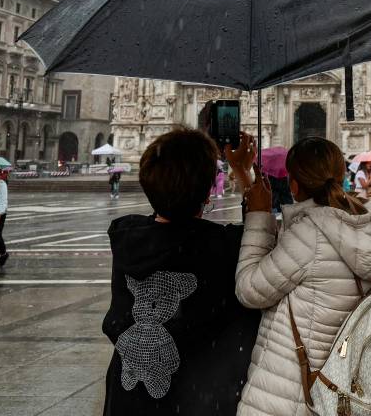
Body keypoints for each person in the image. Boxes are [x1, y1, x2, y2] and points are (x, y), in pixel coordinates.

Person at [235, 136, 371, 416]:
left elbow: (250, 290)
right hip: (344, 380)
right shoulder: (367, 228)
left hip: (296, 388)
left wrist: (259, 216)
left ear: (294, 185)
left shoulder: (309, 234)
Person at [102, 128, 262, 415]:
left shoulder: (127, 238)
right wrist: (243, 171)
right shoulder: (223, 246)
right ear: (208, 190)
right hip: (200, 398)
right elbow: (261, 232)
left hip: (129, 401)